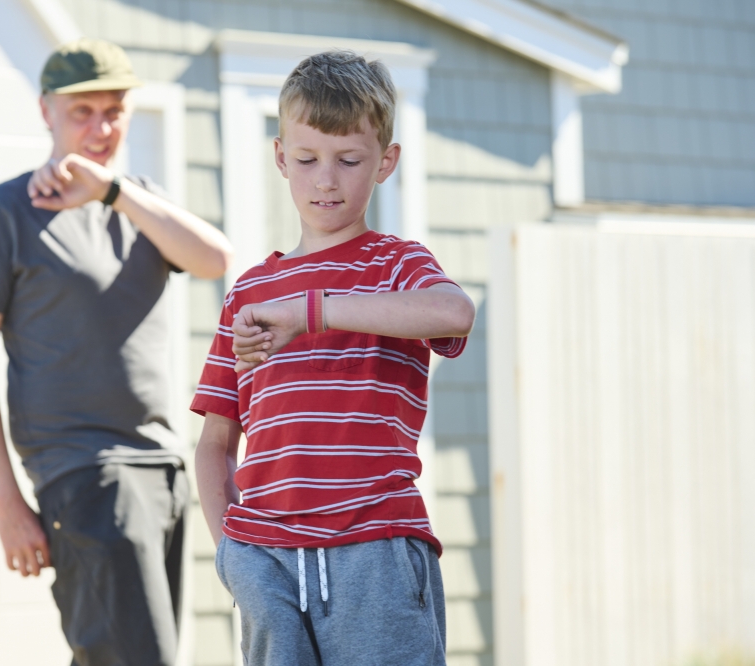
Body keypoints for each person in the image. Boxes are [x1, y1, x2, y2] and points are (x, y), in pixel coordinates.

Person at [0, 39, 233, 666]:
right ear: (45, 110)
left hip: (163, 467)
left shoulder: (137, 202)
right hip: (86, 475)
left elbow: (215, 260)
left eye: (115, 110)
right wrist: (7, 504)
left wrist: (113, 194)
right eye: (83, 112)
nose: (101, 128)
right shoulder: (4, 213)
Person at [191, 51, 476, 665]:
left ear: (385, 163)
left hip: (375, 549)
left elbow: (454, 315)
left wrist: (312, 310)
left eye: (349, 160)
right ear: (279, 157)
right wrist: (230, 553)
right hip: (265, 557)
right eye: (307, 159)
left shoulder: (398, 266)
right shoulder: (246, 292)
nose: (326, 179)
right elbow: (217, 441)